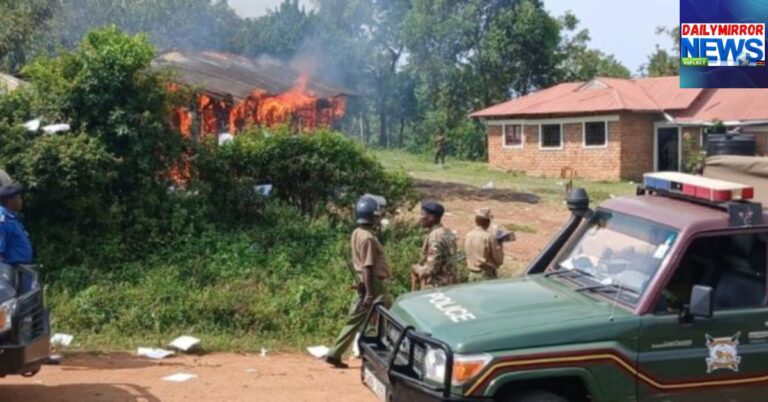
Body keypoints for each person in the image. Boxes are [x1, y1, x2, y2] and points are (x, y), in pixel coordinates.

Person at [325, 195, 390, 369]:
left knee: (357, 318)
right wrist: (370, 292)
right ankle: (385, 353)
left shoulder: (357, 232)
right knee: (386, 318)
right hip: (373, 283)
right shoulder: (368, 238)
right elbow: (368, 266)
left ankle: (336, 352)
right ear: (372, 216)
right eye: (377, 215)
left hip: (365, 281)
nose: (379, 218)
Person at [412, 201, 457, 290]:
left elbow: (431, 269)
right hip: (450, 284)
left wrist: (416, 268)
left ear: (431, 217)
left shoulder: (435, 237)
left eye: (422, 214)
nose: (420, 218)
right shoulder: (447, 233)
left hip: (436, 288)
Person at [464, 208, 505, 282]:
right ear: (488, 223)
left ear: (476, 221)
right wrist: (500, 245)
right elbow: (499, 260)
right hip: (486, 275)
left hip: (472, 274)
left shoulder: (468, 235)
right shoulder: (489, 237)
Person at [0, 184, 32, 266]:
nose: (21, 201)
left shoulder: (12, 218)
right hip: (9, 272)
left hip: (20, 270)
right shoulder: (3, 220)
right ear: (10, 201)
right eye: (19, 198)